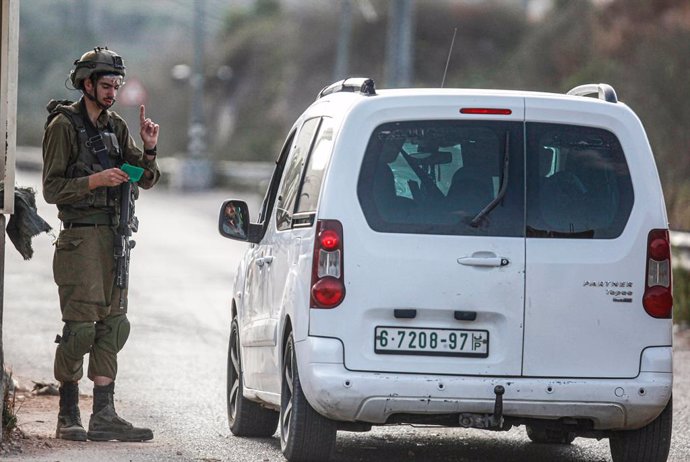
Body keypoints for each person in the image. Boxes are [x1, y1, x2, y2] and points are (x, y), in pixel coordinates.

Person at [42, 47, 160, 442]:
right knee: (79, 329)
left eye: (116, 85)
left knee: (113, 325)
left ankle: (104, 414)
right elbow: (51, 188)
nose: (112, 92)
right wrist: (95, 181)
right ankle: (68, 413)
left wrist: (148, 148)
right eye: (106, 85)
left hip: (114, 236)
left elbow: (145, 178)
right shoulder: (63, 125)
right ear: (86, 83)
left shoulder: (116, 126)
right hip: (79, 237)